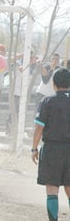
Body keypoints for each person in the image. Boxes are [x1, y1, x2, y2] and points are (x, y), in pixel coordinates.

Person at [32, 68, 70, 221]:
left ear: (53, 84)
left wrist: (34, 148)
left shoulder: (47, 101)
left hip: (52, 149)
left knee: (52, 188)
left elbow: (39, 127)